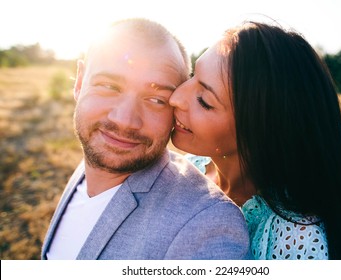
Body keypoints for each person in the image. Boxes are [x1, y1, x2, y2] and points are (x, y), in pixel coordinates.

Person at [41, 18, 251, 260]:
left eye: (156, 99)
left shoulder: (208, 226)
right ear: (79, 83)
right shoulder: (92, 159)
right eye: (109, 86)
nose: (125, 120)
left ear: (174, 111)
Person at [169, 21, 341, 259]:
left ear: (260, 130)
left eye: (204, 100)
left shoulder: (297, 242)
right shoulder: (190, 167)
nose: (175, 97)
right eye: (193, 74)